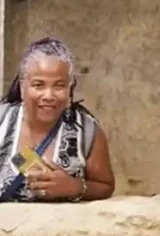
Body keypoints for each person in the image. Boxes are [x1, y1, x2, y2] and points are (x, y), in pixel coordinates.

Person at [0, 37, 115, 202]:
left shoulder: (87, 132)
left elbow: (106, 186)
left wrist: (74, 187)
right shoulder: (3, 121)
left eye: (59, 86)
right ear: (23, 86)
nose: (49, 96)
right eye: (38, 85)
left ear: (70, 87)